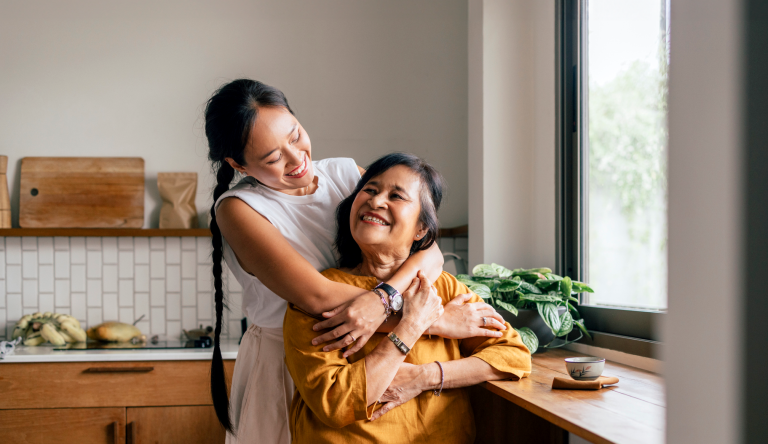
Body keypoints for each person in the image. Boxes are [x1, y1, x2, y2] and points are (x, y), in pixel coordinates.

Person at [204, 80, 509, 443]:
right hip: (295, 359)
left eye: (296, 135)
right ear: (238, 163)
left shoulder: (346, 174)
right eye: (272, 158)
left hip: (367, 353)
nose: (296, 157)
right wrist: (433, 321)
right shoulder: (238, 210)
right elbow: (316, 299)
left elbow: (429, 250)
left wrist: (383, 301)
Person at [283, 153, 532, 444]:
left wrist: (425, 377)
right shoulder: (318, 295)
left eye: (397, 196)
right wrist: (411, 325)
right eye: (371, 190)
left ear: (421, 229)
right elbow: (336, 402)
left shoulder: (442, 287)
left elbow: (514, 356)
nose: (376, 202)